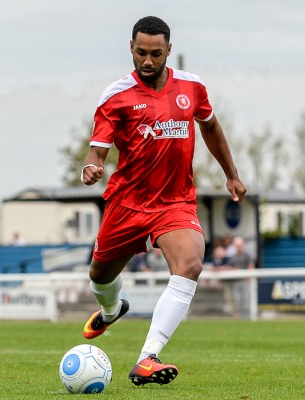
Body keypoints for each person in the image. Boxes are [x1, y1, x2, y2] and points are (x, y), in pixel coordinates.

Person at [80, 16, 247, 386]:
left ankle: (148, 357)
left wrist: (231, 173)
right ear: (131, 48)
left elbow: (211, 126)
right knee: (99, 276)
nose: (148, 61)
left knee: (189, 264)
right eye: (141, 52)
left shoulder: (193, 87)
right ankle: (111, 309)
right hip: (127, 203)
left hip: (175, 202)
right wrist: (90, 168)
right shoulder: (115, 96)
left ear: (168, 50)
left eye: (156, 53)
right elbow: (96, 152)